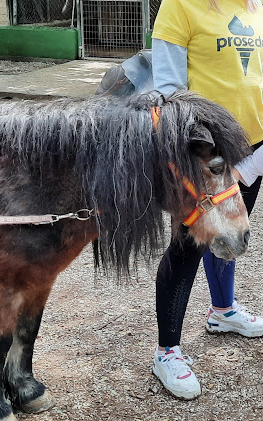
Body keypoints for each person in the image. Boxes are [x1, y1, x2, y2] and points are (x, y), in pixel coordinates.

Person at [151, 0, 263, 399]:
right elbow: (168, 92)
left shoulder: (256, 6)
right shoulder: (180, 5)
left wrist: (251, 165)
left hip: (252, 151)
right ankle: (167, 351)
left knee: (229, 238)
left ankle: (223, 312)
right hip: (206, 158)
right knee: (187, 251)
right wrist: (208, 163)